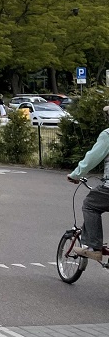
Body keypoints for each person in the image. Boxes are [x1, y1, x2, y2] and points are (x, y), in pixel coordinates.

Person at [67, 106, 109, 261]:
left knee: (90, 204)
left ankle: (93, 247)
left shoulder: (108, 135)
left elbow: (92, 158)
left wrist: (76, 175)